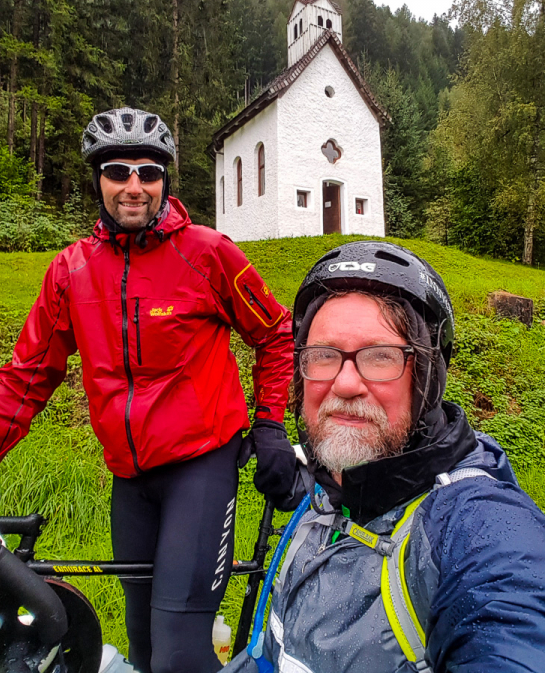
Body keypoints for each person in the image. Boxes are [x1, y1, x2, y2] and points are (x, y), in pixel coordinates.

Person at [0, 108, 296, 673]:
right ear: (99, 179)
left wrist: (269, 423)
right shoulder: (70, 272)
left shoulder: (208, 253)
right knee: (143, 647)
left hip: (202, 466)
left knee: (178, 653)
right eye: (118, 171)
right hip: (129, 479)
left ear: (166, 181)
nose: (134, 186)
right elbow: (27, 378)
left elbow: (276, 333)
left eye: (149, 172)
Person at [225, 240, 545, 673]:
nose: (345, 384)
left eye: (380, 356)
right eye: (323, 356)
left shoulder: (474, 526)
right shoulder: (324, 495)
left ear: (427, 379)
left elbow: (512, 623)